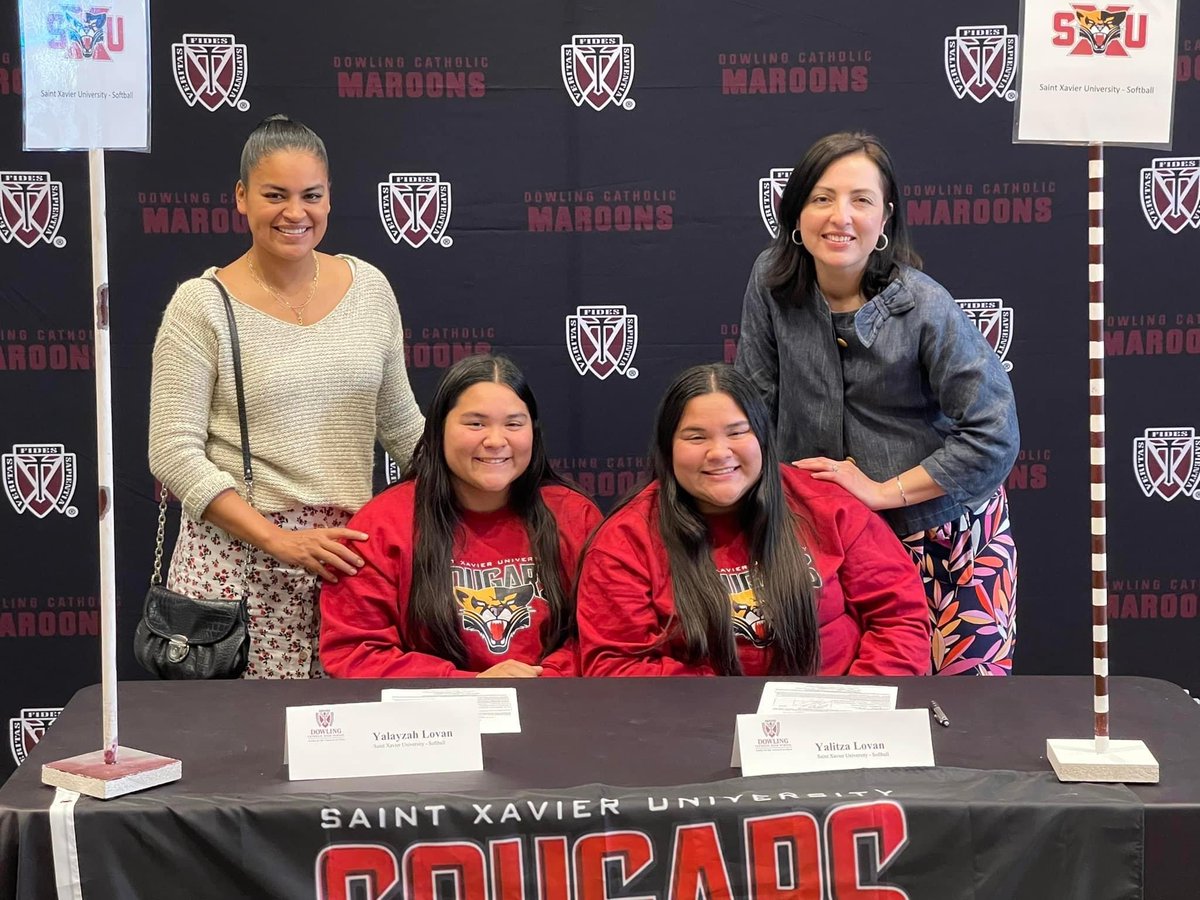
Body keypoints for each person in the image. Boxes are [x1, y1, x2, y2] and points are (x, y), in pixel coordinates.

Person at [148, 114, 424, 679]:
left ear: (329, 199)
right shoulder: (199, 306)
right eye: (275, 195)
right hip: (236, 571)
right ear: (242, 198)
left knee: (346, 749)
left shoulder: (370, 289)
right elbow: (173, 452)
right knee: (246, 754)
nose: (295, 213)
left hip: (348, 564)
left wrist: (488, 494)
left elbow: (401, 426)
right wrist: (279, 542)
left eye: (311, 196)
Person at [735, 131, 1020, 676]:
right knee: (839, 712)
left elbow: (994, 435)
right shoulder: (769, 284)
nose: (839, 216)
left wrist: (881, 491)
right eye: (821, 198)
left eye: (860, 200)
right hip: (822, 537)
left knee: (955, 713)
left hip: (941, 537)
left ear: (885, 218)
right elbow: (756, 404)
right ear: (794, 212)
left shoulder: (925, 304)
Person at [576, 364, 930, 677]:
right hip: (698, 731)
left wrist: (854, 707)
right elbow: (616, 664)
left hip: (833, 727)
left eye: (737, 432)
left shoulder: (827, 506)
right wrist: (728, 713)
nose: (719, 453)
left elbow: (899, 618)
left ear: (762, 437)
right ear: (668, 449)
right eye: (696, 437)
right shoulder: (625, 539)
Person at [320, 354, 602, 678]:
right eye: (476, 423)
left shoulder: (575, 516)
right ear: (439, 429)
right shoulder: (383, 525)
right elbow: (355, 652)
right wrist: (468, 686)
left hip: (555, 708)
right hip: (433, 721)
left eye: (513, 423)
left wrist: (544, 680)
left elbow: (603, 636)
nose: (496, 441)